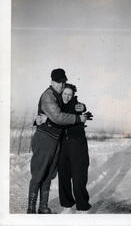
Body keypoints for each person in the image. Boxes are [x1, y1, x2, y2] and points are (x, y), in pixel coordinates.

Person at [27, 68, 87, 214]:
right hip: (45, 139)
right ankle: (30, 209)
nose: (61, 85)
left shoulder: (58, 95)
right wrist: (78, 118)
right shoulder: (48, 96)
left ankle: (43, 207)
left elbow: (72, 104)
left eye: (63, 82)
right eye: (58, 82)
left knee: (49, 174)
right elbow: (58, 117)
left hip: (55, 141)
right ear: (52, 81)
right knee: (39, 173)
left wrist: (82, 107)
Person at [58, 83, 91, 212]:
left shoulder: (76, 105)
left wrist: (83, 108)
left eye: (69, 94)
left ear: (73, 95)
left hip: (77, 143)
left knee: (79, 175)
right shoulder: (57, 106)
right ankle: (67, 203)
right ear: (61, 93)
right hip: (62, 144)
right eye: (65, 94)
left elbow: (81, 107)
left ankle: (82, 205)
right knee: (64, 174)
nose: (67, 96)